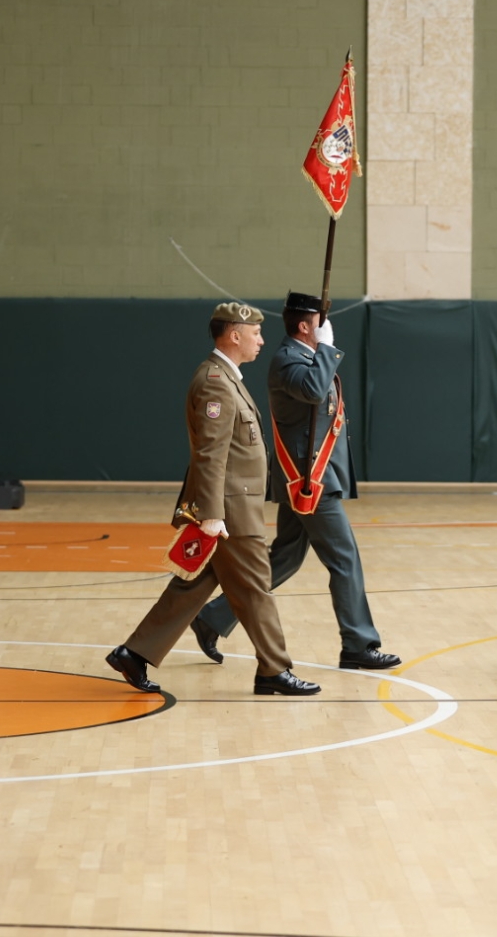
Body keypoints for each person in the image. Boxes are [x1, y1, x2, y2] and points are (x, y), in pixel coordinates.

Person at [106, 302, 320, 696]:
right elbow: (210, 454)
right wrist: (211, 514)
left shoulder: (226, 378)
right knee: (256, 589)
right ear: (234, 335)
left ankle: (134, 653)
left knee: (193, 586)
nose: (262, 340)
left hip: (232, 507)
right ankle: (274, 670)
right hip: (229, 511)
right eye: (255, 333)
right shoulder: (215, 383)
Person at [191, 292, 401, 671]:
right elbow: (314, 391)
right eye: (320, 323)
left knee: (284, 557)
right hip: (308, 482)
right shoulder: (289, 360)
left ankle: (213, 618)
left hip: (311, 478)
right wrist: (327, 348)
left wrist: (322, 350)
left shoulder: (307, 357)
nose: (326, 328)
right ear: (305, 327)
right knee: (344, 559)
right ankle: (358, 644)